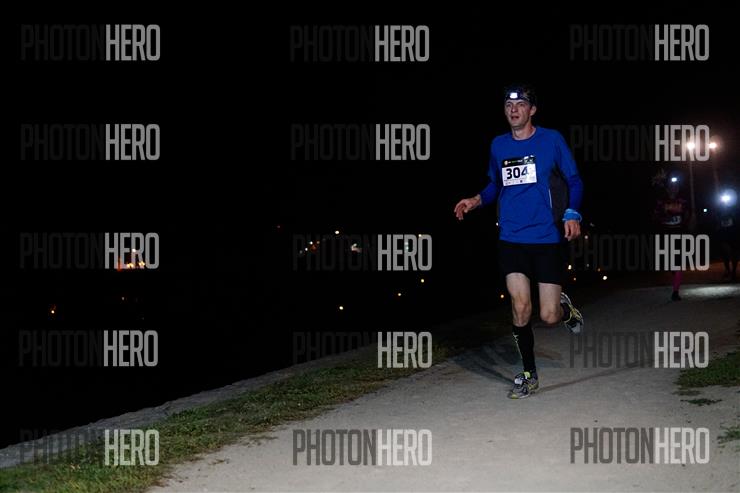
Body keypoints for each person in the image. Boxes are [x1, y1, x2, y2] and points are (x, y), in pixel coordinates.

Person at [453, 84, 584, 399]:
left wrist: (572, 212)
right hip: (511, 237)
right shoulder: (498, 145)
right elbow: (495, 185)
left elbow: (574, 180)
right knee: (520, 306)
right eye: (508, 105)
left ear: (532, 110)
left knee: (548, 315)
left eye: (521, 104)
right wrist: (476, 200)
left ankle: (565, 310)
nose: (513, 109)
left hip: (547, 237)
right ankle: (529, 374)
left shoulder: (551, 140)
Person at [653, 176, 690, 300]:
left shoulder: (683, 201)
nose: (674, 189)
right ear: (668, 189)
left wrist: (686, 222)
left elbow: (687, 215)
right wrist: (663, 217)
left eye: (676, 187)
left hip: (679, 235)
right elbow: (655, 216)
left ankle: (675, 292)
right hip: (666, 235)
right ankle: (674, 272)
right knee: (670, 263)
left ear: (678, 189)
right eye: (671, 187)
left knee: (678, 264)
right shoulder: (661, 202)